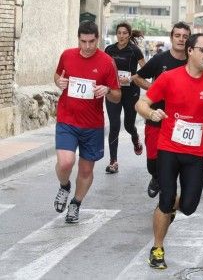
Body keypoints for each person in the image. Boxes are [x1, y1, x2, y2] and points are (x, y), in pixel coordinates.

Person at [135, 33, 203, 269]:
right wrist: (151, 113)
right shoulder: (169, 78)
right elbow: (141, 104)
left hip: (195, 153)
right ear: (190, 51)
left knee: (189, 206)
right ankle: (157, 248)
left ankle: (169, 209)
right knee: (166, 199)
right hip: (169, 148)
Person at [53, 21, 121, 223]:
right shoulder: (67, 55)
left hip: (92, 124)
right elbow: (58, 76)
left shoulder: (107, 62)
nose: (88, 46)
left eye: (92, 41)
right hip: (67, 119)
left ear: (97, 39)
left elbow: (117, 95)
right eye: (84, 41)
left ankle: (75, 203)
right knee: (65, 162)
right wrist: (59, 82)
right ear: (78, 39)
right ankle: (64, 186)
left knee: (85, 170)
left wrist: (107, 91)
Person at [132, 22, 191, 198]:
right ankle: (155, 177)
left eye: (185, 36)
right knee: (152, 161)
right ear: (171, 38)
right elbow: (137, 77)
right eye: (177, 35)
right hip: (156, 117)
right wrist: (155, 89)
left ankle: (167, 198)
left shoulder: (191, 61)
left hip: (181, 121)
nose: (181, 39)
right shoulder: (160, 59)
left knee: (174, 162)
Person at [104, 22, 146, 174]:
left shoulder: (134, 50)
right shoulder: (109, 49)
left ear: (129, 34)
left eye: (124, 33)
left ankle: (135, 137)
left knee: (128, 125)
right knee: (114, 125)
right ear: (116, 34)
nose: (121, 36)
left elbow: (145, 69)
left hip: (130, 92)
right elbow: (103, 68)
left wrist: (131, 78)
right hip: (113, 91)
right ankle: (113, 162)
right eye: (119, 33)